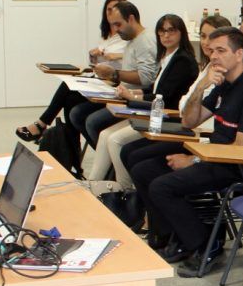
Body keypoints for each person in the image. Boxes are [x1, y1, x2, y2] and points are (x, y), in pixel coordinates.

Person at [129, 27, 243, 273]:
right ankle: (176, 238)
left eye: (221, 51)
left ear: (239, 53)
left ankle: (206, 245)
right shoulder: (226, 83)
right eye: (212, 51)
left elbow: (241, 148)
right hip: (218, 156)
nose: (214, 56)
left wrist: (194, 160)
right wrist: (201, 87)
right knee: (144, 170)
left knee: (162, 186)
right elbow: (189, 121)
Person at [115, 14, 229, 195]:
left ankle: (132, 200)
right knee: (129, 152)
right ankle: (135, 202)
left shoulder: (198, 65)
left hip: (196, 135)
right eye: (203, 36)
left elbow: (181, 107)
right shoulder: (206, 67)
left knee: (133, 156)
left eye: (212, 37)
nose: (207, 43)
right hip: (187, 126)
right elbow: (183, 103)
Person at [85, 14, 200, 183]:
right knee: (105, 135)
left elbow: (166, 97)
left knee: (115, 140)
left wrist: (133, 96)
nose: (166, 36)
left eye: (171, 31)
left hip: (168, 117)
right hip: (155, 112)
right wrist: (137, 93)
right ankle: (93, 183)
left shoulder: (183, 60)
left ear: (181, 33)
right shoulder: (168, 57)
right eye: (162, 32)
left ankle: (125, 189)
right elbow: (157, 88)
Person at [15, 0, 127, 141]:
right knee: (69, 98)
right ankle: (70, 151)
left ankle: (41, 124)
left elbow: (128, 59)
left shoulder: (127, 35)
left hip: (113, 84)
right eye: (109, 9)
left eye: (115, 9)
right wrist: (95, 56)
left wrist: (111, 55)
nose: (112, 13)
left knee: (68, 87)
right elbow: (98, 64)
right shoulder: (106, 36)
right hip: (99, 79)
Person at [72, 1, 159, 151]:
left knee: (90, 121)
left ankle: (108, 161)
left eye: (118, 25)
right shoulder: (132, 40)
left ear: (131, 19)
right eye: (113, 25)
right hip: (123, 93)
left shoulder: (145, 41)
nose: (116, 30)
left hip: (135, 99)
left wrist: (113, 74)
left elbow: (146, 79)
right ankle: (105, 158)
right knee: (75, 110)